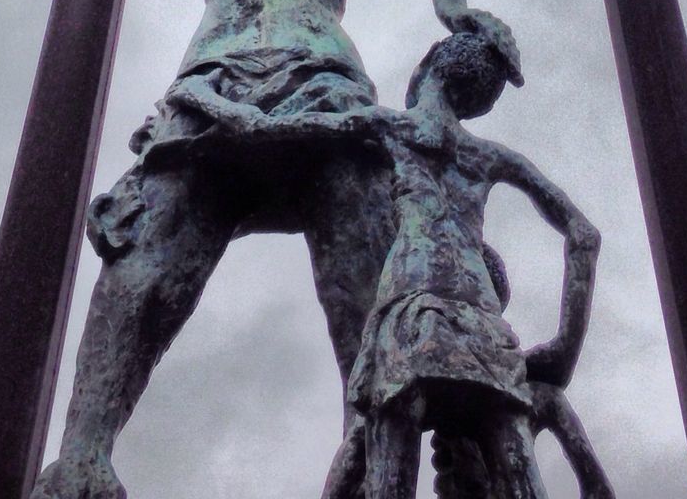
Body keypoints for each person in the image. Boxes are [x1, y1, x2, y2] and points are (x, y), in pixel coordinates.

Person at [31, 0, 517, 499]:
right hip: (320, 72)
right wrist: (454, 8)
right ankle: (371, 457)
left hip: (214, 75)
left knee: (145, 270)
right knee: (363, 299)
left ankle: (83, 454)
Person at [150, 32, 606, 499]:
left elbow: (259, 131)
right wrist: (563, 349)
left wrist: (199, 98)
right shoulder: (492, 158)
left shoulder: (390, 128)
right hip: (485, 331)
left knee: (382, 470)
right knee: (518, 478)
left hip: (410, 319)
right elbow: (583, 235)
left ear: (429, 65)